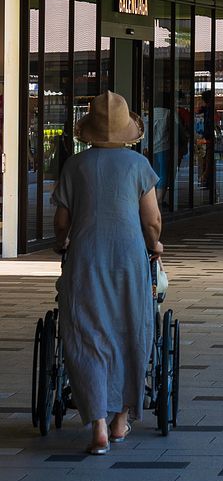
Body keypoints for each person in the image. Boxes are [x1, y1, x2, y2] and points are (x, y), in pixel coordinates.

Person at [53, 93, 164, 455]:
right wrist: (155, 245)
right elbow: (152, 221)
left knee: (87, 333)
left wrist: (62, 242)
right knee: (131, 328)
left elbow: (61, 222)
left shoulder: (75, 166)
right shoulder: (138, 165)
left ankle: (97, 424)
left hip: (85, 259)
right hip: (129, 260)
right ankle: (120, 419)